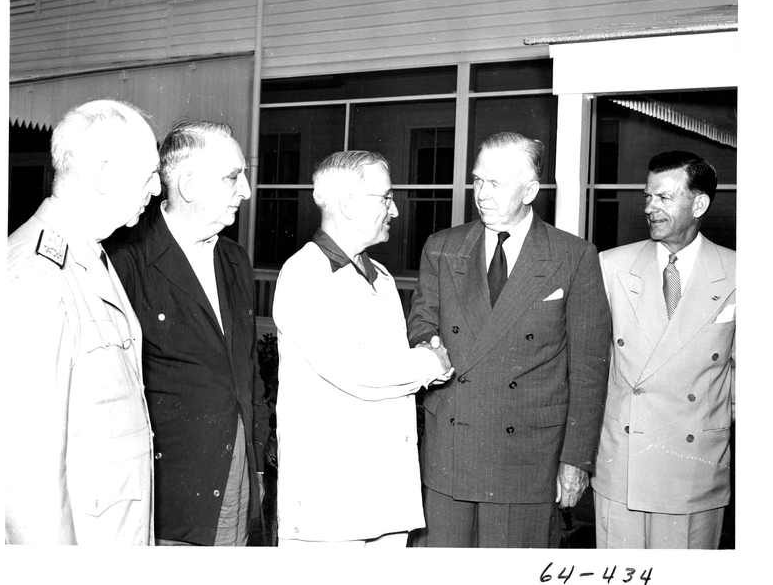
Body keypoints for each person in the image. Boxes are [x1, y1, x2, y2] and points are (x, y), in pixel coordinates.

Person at [407, 131, 611, 548]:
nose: (481, 193)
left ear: (531, 190)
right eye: (478, 180)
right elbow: (421, 322)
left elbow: (588, 370)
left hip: (528, 455)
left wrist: (575, 460)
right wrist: (429, 347)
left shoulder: (573, 256)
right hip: (453, 445)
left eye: (495, 183)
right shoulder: (442, 248)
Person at [273, 150, 454, 547]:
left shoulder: (381, 277)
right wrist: (427, 361)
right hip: (331, 502)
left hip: (385, 494)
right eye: (385, 198)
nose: (395, 211)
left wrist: (426, 359)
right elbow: (356, 371)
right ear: (348, 203)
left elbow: (390, 365)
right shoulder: (305, 274)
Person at [107, 120, 269, 546]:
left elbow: (248, 374)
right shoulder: (125, 262)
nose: (247, 191)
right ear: (190, 184)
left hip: (237, 481)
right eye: (234, 177)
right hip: (167, 501)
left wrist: (256, 469)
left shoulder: (235, 259)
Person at [6, 99, 161, 544]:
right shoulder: (36, 279)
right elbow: (27, 486)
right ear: (106, 176)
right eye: (149, 174)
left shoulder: (90, 257)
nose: (155, 189)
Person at [591, 151, 735, 549]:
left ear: (699, 203)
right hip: (623, 464)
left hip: (695, 470)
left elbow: (746, 380)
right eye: (647, 196)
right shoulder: (610, 266)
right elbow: (591, 370)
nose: (649, 207)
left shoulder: (741, 272)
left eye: (664, 198)